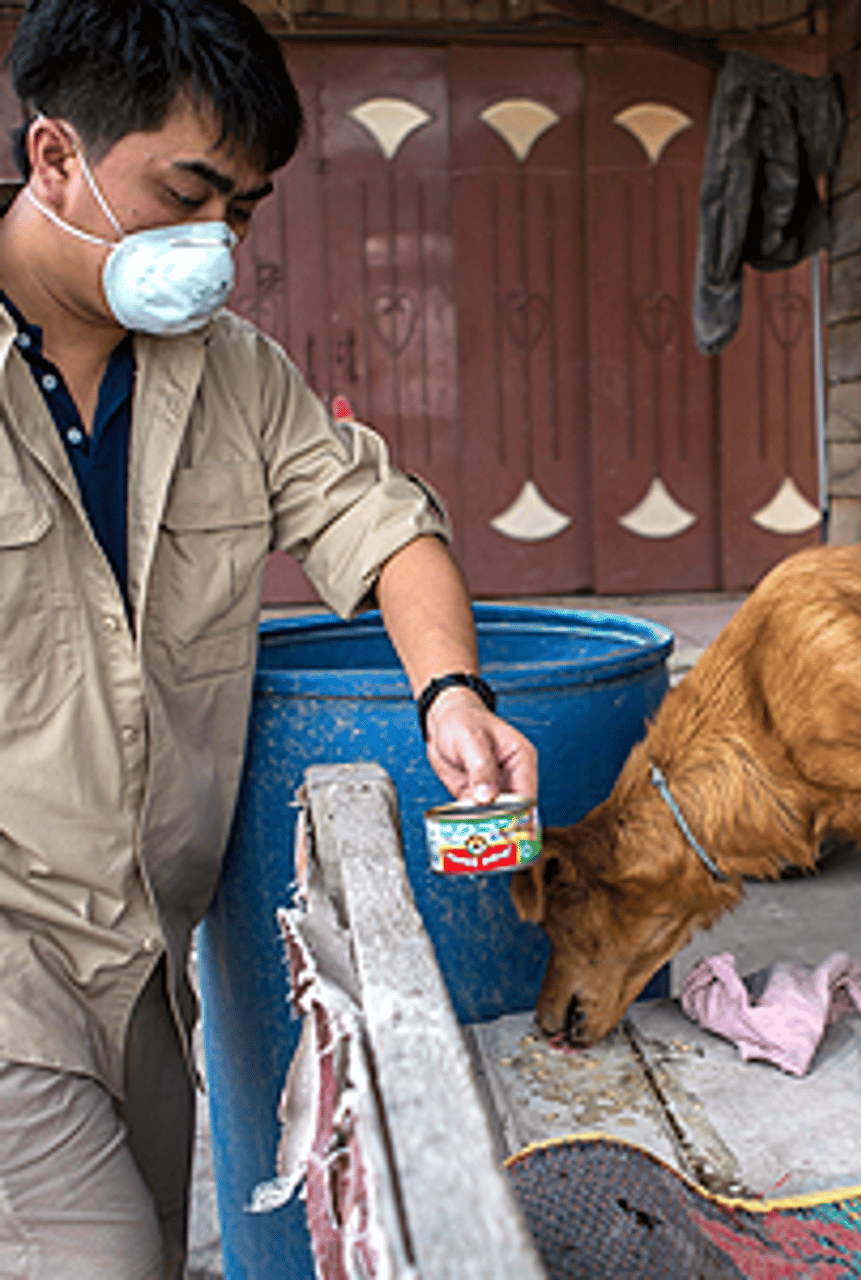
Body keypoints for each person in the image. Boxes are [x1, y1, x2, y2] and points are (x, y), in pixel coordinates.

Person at [0, 2, 537, 1276]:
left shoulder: (229, 374)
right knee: (100, 1253)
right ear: (55, 156)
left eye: (241, 210)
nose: (216, 244)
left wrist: (451, 694)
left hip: (141, 952)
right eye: (187, 192)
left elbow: (378, 518)